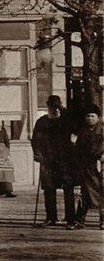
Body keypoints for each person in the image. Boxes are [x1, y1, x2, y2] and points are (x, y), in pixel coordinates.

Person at [31, 95, 76, 227]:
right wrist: (38, 155)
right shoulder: (42, 122)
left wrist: (62, 109)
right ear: (48, 107)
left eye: (57, 106)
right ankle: (51, 217)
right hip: (47, 160)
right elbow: (35, 140)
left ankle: (70, 219)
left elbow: (76, 125)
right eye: (52, 106)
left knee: (68, 189)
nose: (54, 109)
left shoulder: (66, 120)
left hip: (65, 160)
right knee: (49, 189)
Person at [72, 104, 104, 230]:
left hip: (100, 166)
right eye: (87, 116)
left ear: (98, 117)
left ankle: (103, 220)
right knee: (84, 192)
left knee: (101, 192)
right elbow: (77, 148)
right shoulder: (81, 131)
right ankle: (80, 220)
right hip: (85, 166)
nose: (90, 118)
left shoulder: (102, 130)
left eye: (92, 116)